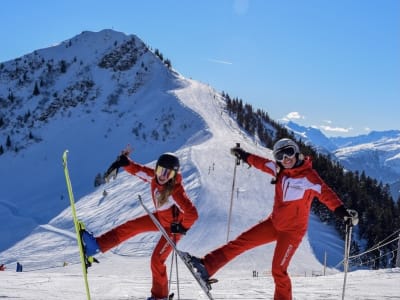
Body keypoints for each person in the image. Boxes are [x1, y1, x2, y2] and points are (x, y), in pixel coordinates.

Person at [184, 138, 358, 300]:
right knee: (241, 242)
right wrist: (243, 155)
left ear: (297, 152)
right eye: (280, 155)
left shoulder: (309, 177)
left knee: (278, 270)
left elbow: (327, 195)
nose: (286, 158)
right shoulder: (279, 169)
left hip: (292, 232)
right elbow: (260, 163)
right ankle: (206, 267)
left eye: (289, 152)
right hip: (273, 223)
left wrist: (343, 214)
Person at [82, 152, 199, 300]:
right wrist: (126, 163)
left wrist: (181, 227)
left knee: (157, 260)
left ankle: (160, 297)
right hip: (162, 219)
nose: (162, 176)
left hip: (174, 228)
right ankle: (97, 245)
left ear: (173, 175)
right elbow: (140, 170)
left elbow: (192, 213)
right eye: (160, 170)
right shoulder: (155, 179)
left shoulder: (176, 191)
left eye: (167, 173)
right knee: (132, 226)